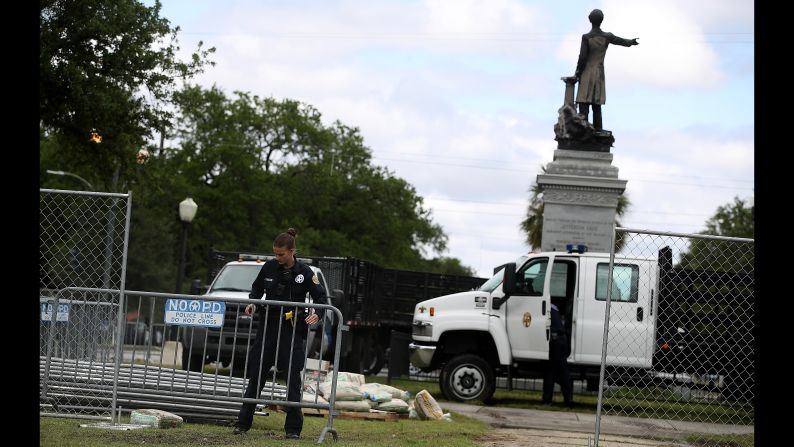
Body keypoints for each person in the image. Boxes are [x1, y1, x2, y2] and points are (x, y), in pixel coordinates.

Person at [233, 228, 327, 440]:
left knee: (292, 378)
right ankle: (242, 423)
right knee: (257, 374)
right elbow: (256, 289)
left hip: (291, 328)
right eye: (275, 254)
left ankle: (293, 429)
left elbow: (321, 299)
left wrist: (317, 315)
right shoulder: (269, 267)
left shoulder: (305, 273)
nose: (278, 257)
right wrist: (253, 303)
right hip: (268, 326)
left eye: (281, 254)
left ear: (292, 251)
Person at [574, 9, 639, 131]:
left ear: (590, 20)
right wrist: (631, 42)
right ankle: (598, 130)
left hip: (586, 73)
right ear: (601, 20)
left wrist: (577, 74)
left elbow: (582, 58)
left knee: (583, 103)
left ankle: (583, 131)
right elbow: (621, 41)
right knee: (596, 104)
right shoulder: (607, 36)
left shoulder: (587, 37)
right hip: (599, 74)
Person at [542, 301, 574, 408]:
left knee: (550, 372)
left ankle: (547, 400)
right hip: (561, 342)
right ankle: (568, 399)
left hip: (555, 343)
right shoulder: (555, 309)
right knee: (563, 372)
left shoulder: (548, 308)